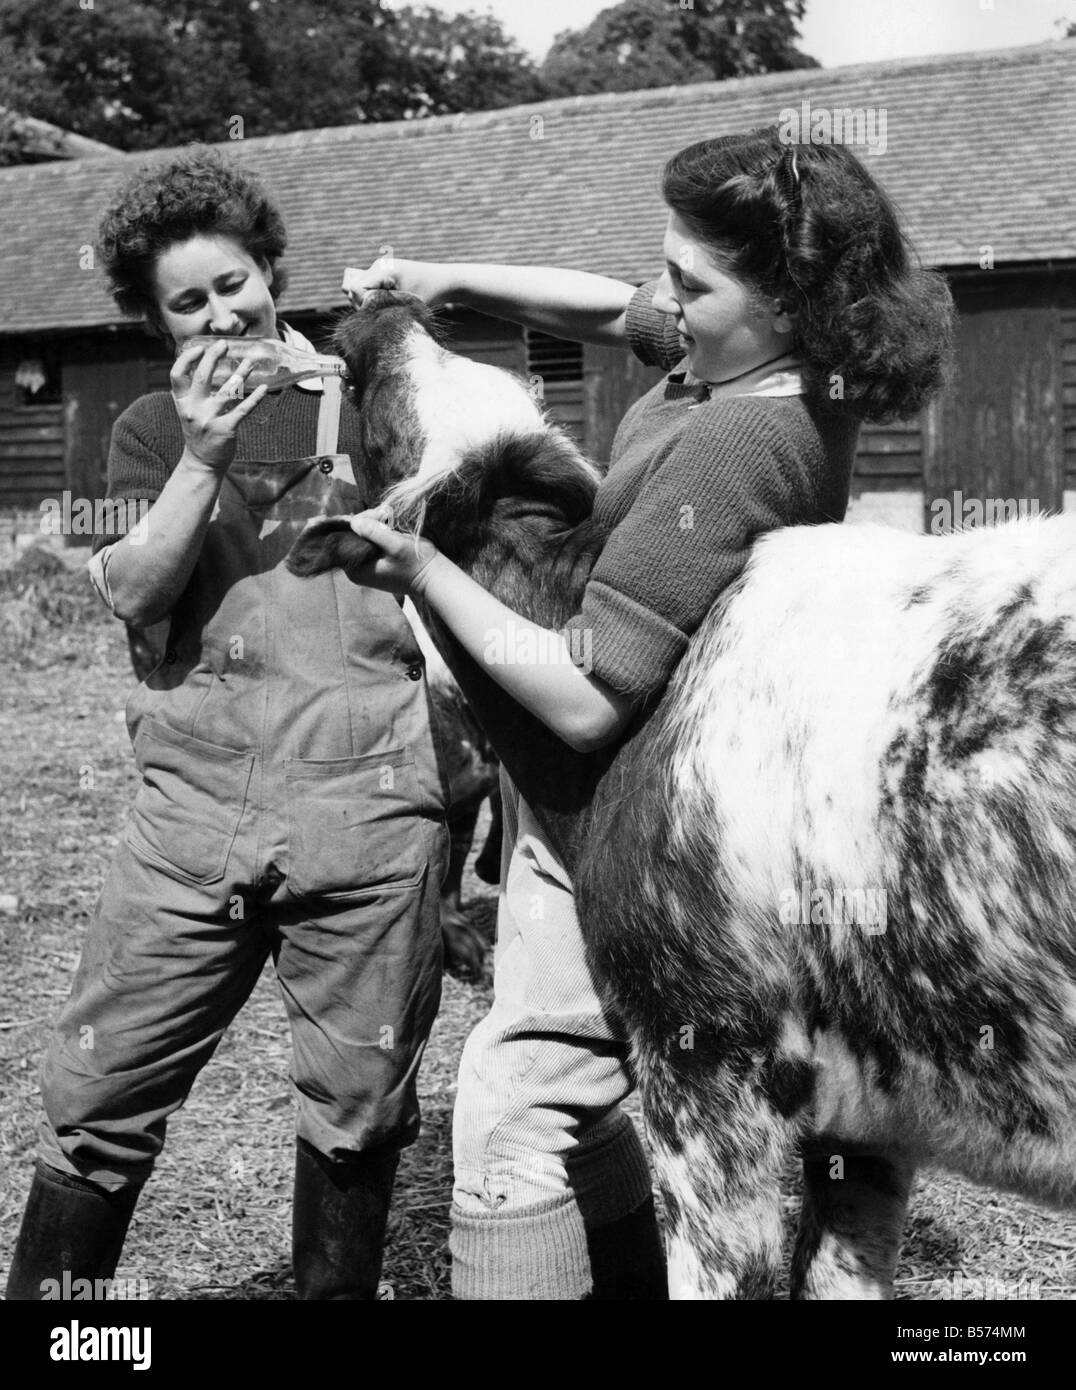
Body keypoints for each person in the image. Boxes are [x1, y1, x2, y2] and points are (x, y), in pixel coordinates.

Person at [339, 127, 954, 1299]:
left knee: (517, 1101)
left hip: (644, 814)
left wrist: (423, 569)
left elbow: (584, 694)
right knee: (591, 1086)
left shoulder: (739, 440)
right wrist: (443, 277)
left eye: (691, 282)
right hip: (636, 796)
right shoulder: (751, 360)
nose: (662, 300)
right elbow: (605, 309)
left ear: (784, 305)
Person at [5, 149, 448, 1301]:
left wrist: (351, 406)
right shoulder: (155, 429)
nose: (221, 311)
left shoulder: (375, 399)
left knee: (357, 1103)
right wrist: (204, 454)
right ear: (157, 322)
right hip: (191, 829)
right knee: (102, 1095)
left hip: (368, 819)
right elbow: (138, 592)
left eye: (233, 283)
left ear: (269, 271)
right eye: (187, 301)